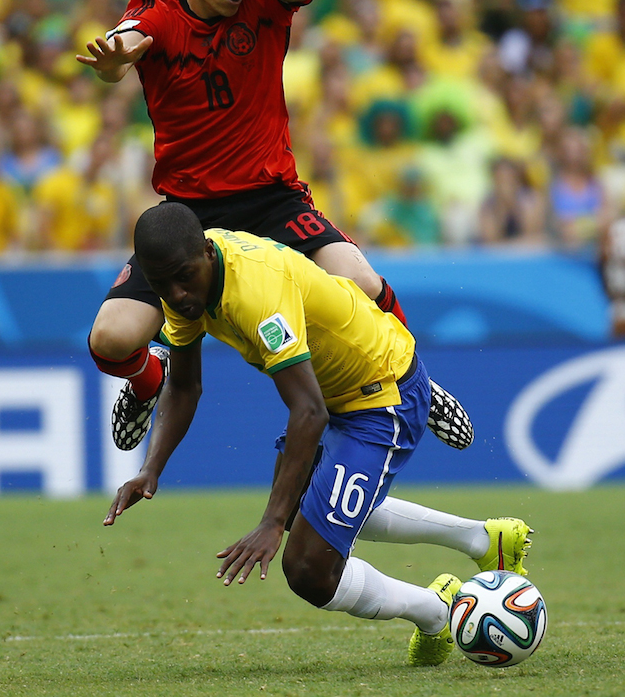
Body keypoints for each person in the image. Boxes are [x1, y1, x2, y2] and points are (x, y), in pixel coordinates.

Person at [76, 0, 467, 454]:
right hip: (190, 217)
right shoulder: (157, 12)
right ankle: (148, 381)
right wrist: (111, 61)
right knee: (111, 340)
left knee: (363, 284)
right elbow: (125, 44)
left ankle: (414, 379)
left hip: (272, 200)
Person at [103, 203, 533, 666]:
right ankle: (482, 542)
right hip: (335, 391)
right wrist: (151, 469)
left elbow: (307, 412)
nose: (177, 294)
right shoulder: (186, 276)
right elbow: (185, 385)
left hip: (381, 392)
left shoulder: (256, 294)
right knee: (304, 507)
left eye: (184, 278)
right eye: (162, 284)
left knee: (309, 568)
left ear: (207, 253)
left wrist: (270, 523)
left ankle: (436, 613)